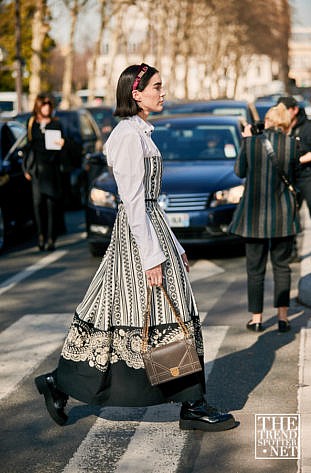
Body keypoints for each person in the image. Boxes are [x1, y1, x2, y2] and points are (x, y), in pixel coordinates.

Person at [34, 64, 237, 431]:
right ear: (136, 93)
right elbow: (131, 201)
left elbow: (150, 203)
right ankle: (189, 402)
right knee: (150, 316)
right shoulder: (128, 136)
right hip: (138, 237)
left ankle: (189, 401)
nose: (163, 92)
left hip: (150, 230)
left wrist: (174, 245)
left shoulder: (141, 133)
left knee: (138, 316)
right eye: (157, 87)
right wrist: (153, 257)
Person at [229, 103, 300, 333]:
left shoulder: (251, 144)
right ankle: (283, 318)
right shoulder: (292, 145)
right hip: (282, 216)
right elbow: (295, 178)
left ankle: (257, 318)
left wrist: (247, 139)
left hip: (254, 218)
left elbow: (239, 172)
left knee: (255, 269)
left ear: (267, 121)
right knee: (282, 267)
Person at [23, 93, 65, 251]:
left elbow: (63, 148)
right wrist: (26, 168)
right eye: (43, 105)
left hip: (52, 169)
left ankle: (51, 238)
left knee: (51, 206)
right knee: (37, 204)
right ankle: (40, 235)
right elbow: (28, 147)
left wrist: (62, 144)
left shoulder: (56, 124)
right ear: (38, 106)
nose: (46, 107)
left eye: (48, 105)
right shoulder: (32, 122)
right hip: (37, 171)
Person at [277, 96, 311, 261]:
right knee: (290, 215)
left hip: (309, 177)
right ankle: (291, 252)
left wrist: (295, 159)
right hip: (291, 178)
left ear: (294, 110)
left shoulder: (309, 127)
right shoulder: (282, 129)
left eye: (285, 110)